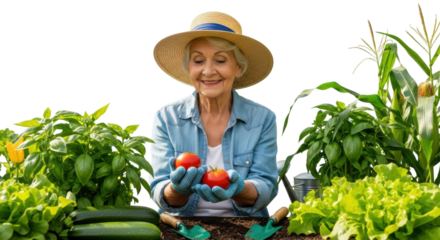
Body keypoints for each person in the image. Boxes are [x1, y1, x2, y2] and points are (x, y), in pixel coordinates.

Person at [148, 11, 279, 217]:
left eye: (220, 60)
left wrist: (239, 189)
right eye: (198, 61)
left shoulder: (264, 118)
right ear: (188, 68)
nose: (208, 71)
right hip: (181, 228)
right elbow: (159, 192)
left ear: (238, 68)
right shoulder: (165, 117)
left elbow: (266, 188)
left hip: (247, 227)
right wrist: (178, 189)